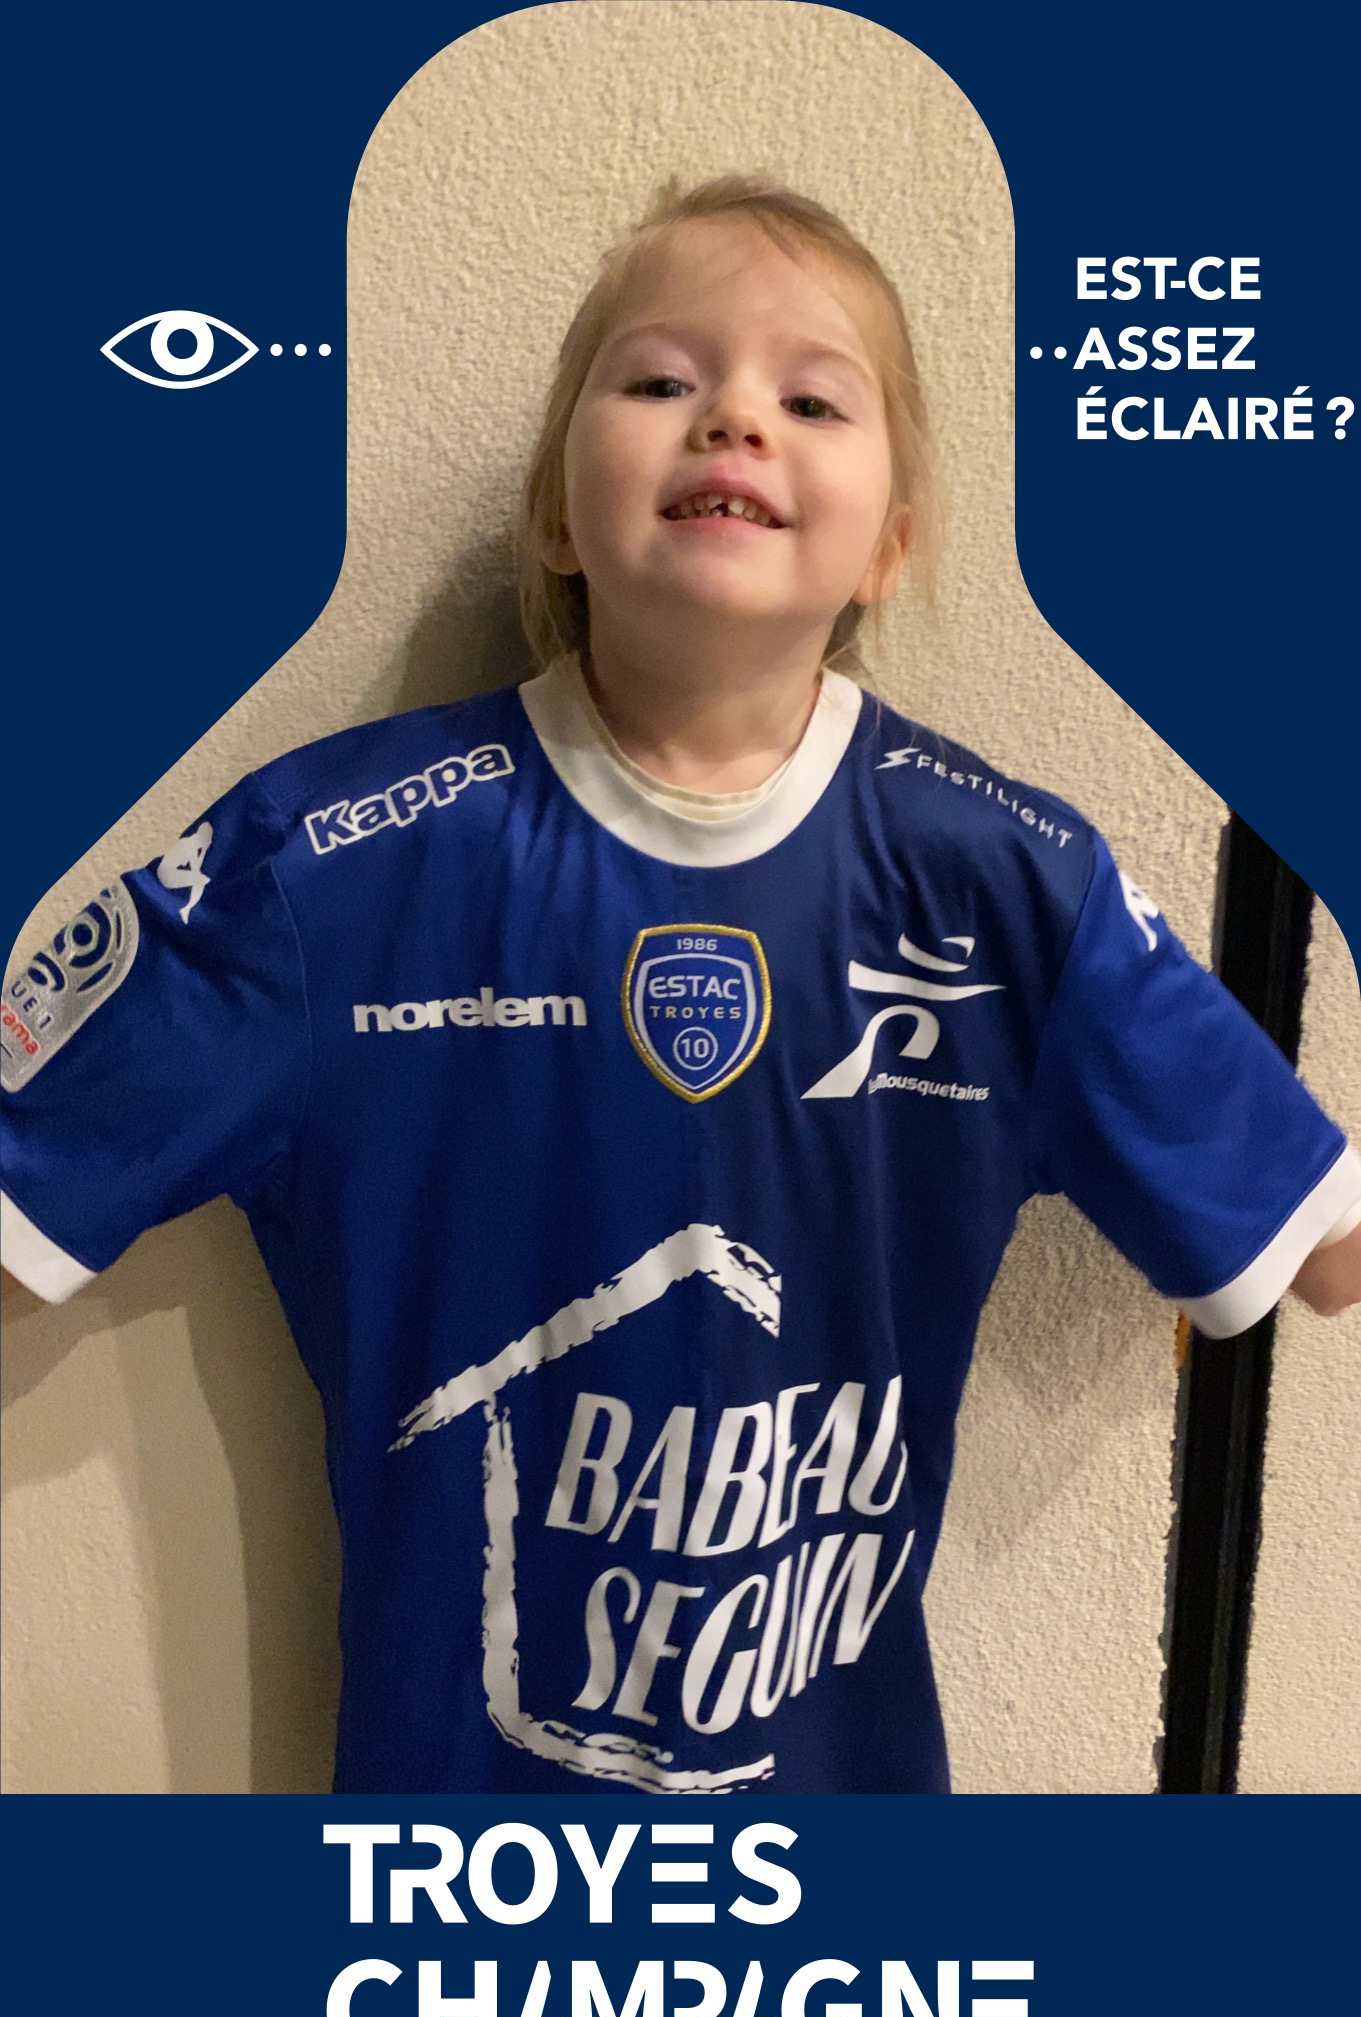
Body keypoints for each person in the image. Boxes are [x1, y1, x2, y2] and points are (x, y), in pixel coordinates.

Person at [3, 179, 1358, 1795]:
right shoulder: (324, 870)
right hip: (462, 1855)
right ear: (555, 514)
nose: (733, 418)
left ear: (891, 544)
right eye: (659, 378)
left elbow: (1318, 1243)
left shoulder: (1014, 886)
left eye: (813, 399)